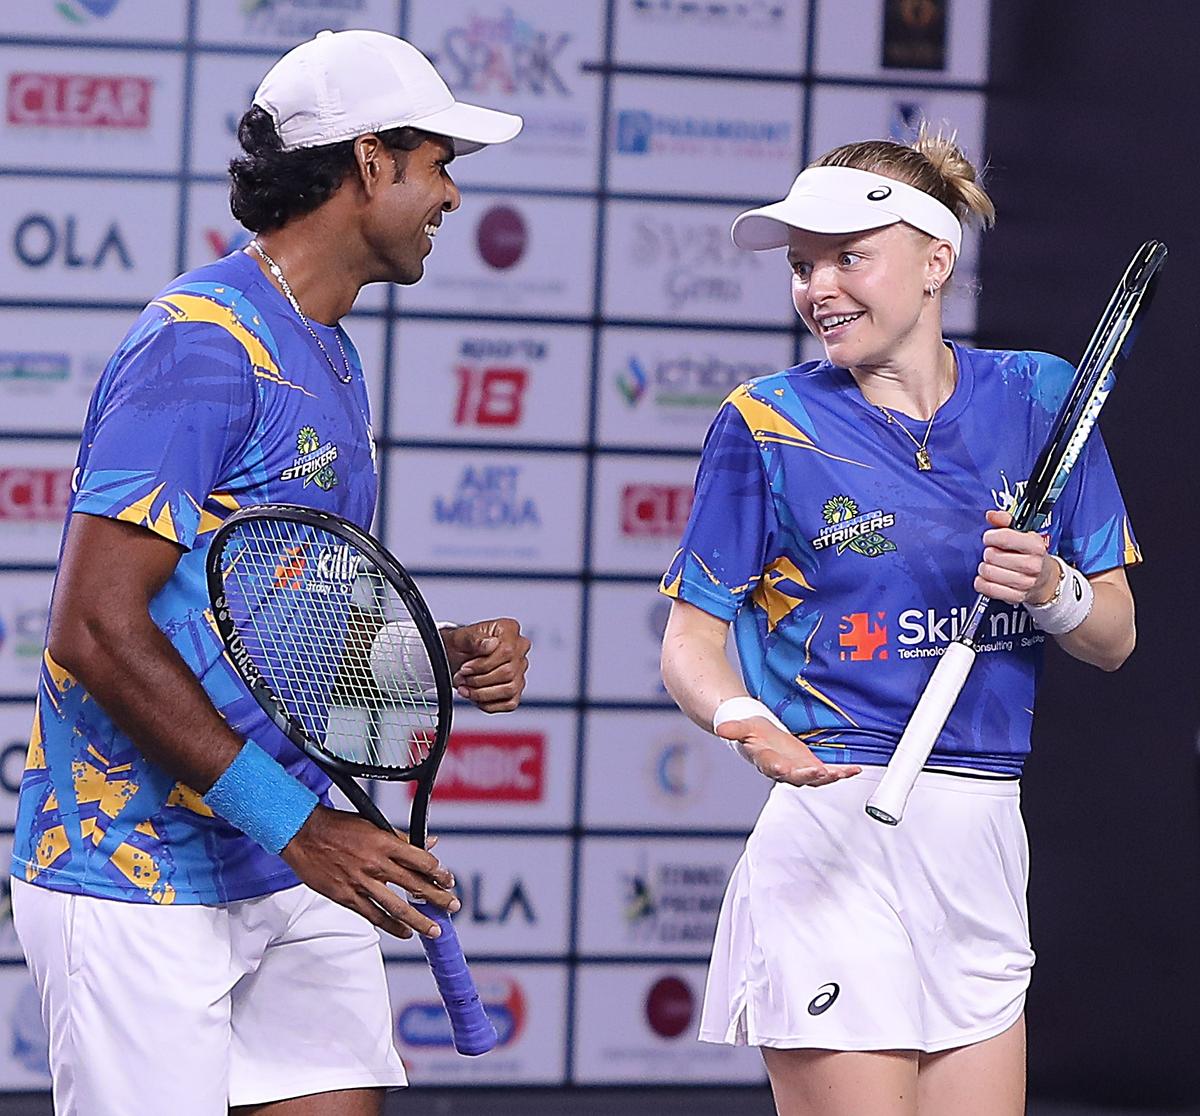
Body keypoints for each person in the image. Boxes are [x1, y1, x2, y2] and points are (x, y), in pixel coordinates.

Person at [9, 30, 530, 1116]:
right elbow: (93, 626)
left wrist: (433, 656)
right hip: (139, 866)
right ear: (371, 160)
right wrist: (299, 827)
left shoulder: (328, 349)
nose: (447, 197)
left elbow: (274, 615)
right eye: (438, 164)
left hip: (290, 850)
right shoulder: (199, 341)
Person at [659, 131, 1139, 1116]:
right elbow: (691, 641)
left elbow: (1115, 637)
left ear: (935, 262)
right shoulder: (764, 423)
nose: (817, 286)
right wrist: (745, 719)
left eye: (848, 256)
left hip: (984, 848)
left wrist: (1053, 591)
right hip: (838, 838)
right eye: (802, 264)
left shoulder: (1043, 397)